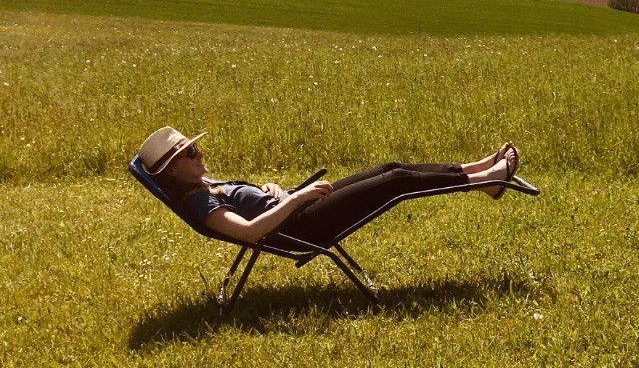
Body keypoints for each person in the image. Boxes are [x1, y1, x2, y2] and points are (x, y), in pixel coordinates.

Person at [137, 126, 519, 248]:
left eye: (195, 147)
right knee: (397, 183)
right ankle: (487, 180)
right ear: (172, 172)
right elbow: (252, 232)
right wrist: (298, 197)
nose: (200, 154)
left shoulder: (204, 186)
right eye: (190, 153)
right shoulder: (199, 205)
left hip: (296, 210)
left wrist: (274, 189)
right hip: (305, 227)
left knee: (391, 168)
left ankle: (480, 171)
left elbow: (251, 208)